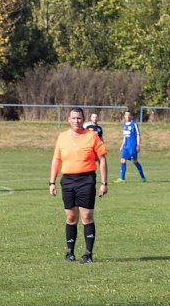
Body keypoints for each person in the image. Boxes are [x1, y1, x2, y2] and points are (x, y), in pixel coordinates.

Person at [50, 107, 108, 263]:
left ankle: (88, 254)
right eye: (74, 118)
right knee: (70, 217)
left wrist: (104, 183)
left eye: (79, 118)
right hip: (68, 180)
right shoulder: (62, 137)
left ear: (84, 119)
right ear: (69, 119)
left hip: (86, 180)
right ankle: (70, 252)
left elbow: (102, 159)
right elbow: (56, 160)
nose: (76, 121)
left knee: (87, 217)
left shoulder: (92, 136)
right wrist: (52, 182)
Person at [115, 110, 146, 183]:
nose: (127, 116)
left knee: (134, 161)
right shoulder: (125, 124)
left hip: (132, 146)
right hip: (126, 146)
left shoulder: (134, 124)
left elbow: (138, 134)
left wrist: (138, 145)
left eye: (129, 115)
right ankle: (122, 179)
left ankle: (143, 177)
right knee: (122, 160)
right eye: (126, 115)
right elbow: (125, 136)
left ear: (131, 116)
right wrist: (122, 145)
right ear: (124, 116)